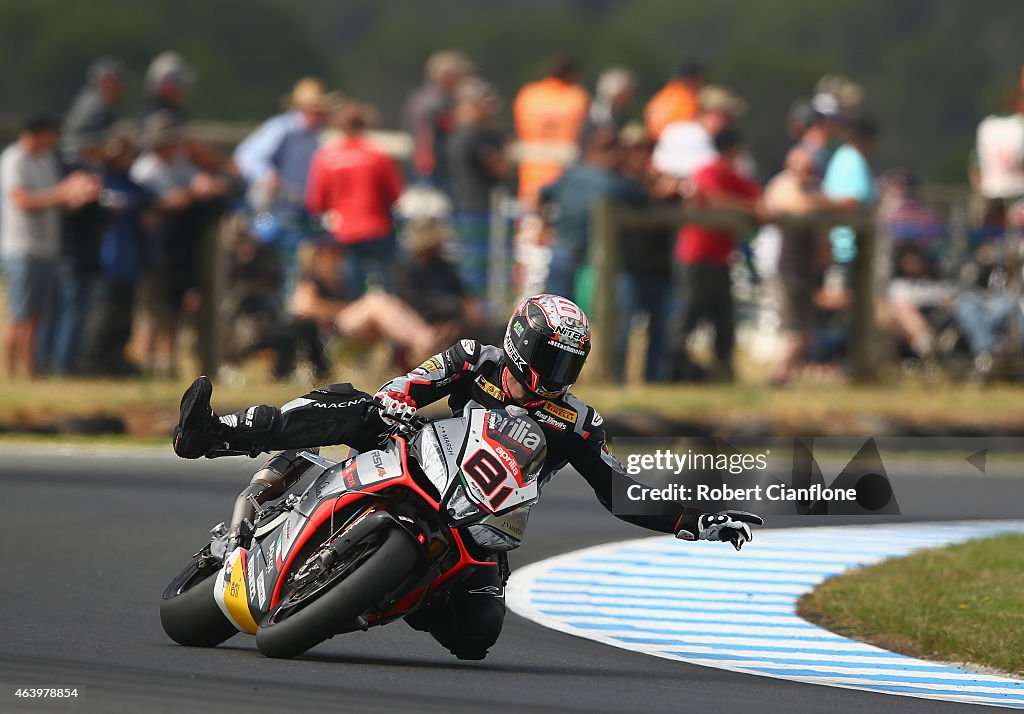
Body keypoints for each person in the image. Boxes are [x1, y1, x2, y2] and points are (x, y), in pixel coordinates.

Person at [171, 293, 763, 660]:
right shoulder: (471, 359)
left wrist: (693, 518)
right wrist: (396, 403)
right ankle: (216, 434)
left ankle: (385, 590)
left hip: (483, 515)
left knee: (477, 636)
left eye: (570, 366)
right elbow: (409, 384)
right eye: (552, 360)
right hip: (418, 452)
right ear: (520, 346)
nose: (559, 375)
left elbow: (618, 489)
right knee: (352, 403)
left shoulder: (577, 422)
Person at [131, 111, 230, 377]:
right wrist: (192, 193)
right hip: (155, 251)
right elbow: (167, 201)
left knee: (175, 311)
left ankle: (167, 364)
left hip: (179, 251)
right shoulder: (146, 170)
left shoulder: (179, 163)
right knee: (154, 312)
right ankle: (147, 364)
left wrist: (205, 184)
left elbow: (198, 182)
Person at [1, 113, 100, 379]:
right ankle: (11, 373)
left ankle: (30, 371)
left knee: (36, 316)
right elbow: (21, 201)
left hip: (47, 248)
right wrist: (64, 192)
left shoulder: (46, 160)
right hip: (22, 249)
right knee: (19, 316)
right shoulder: (14, 160)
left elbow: (57, 202)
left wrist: (79, 196)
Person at [667, 128, 762, 382]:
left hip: (720, 258)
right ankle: (671, 368)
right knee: (689, 313)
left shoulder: (733, 176)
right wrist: (745, 208)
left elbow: (758, 202)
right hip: (695, 255)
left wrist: (744, 206)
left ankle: (723, 370)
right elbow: (716, 199)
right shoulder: (706, 171)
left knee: (723, 316)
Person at [234, 77, 338, 299]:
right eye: (315, 109)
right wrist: (266, 174)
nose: (319, 115)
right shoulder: (282, 128)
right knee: (272, 248)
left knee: (304, 254)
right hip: (274, 208)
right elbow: (247, 155)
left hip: (299, 208)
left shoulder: (314, 138)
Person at [763, 146, 857, 385]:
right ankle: (779, 377)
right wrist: (829, 205)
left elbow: (834, 208)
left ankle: (787, 377)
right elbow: (798, 204)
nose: (807, 173)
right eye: (802, 168)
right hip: (788, 269)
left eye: (810, 168)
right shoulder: (783, 186)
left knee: (806, 331)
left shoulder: (815, 188)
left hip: (810, 268)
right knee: (793, 330)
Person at [290, 242, 448, 365]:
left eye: (336, 255)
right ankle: (426, 341)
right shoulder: (311, 282)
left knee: (390, 304)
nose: (335, 260)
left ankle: (424, 342)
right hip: (335, 331)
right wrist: (342, 309)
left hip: (354, 328)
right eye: (328, 256)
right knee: (376, 301)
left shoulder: (341, 281)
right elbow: (303, 308)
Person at [539, 127, 649, 303]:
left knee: (558, 311)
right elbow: (645, 201)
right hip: (589, 259)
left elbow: (541, 195)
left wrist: (545, 227)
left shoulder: (572, 173)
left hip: (565, 250)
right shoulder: (614, 182)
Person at [306, 100, 403, 297]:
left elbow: (316, 203)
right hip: (378, 229)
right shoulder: (379, 155)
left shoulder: (326, 157)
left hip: (343, 232)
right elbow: (396, 196)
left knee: (350, 286)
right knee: (385, 285)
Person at [446, 77, 509, 307]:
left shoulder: (459, 133)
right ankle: (478, 316)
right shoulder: (473, 136)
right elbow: (500, 168)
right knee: (477, 267)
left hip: (467, 206)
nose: (490, 110)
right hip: (477, 209)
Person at [513, 56, 590, 209]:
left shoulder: (527, 95)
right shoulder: (577, 96)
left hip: (531, 172)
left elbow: (520, 129)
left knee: (530, 223)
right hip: (564, 173)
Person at [402, 51, 475, 190]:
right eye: (459, 75)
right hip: (435, 170)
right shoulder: (439, 103)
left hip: (422, 167)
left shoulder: (419, 98)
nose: (463, 80)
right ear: (446, 76)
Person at [652, 84, 749, 181]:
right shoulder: (679, 133)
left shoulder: (728, 141)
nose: (727, 121)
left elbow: (744, 171)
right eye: (722, 115)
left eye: (729, 117)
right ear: (703, 112)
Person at [62, 57, 127, 163]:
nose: (122, 87)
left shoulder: (97, 100)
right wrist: (115, 133)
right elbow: (83, 136)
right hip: (77, 159)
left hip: (83, 156)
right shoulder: (95, 103)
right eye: (118, 82)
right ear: (106, 82)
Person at [644, 60, 704, 141]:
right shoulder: (686, 97)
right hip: (674, 142)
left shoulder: (663, 94)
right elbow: (688, 124)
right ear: (694, 79)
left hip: (656, 142)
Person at [579, 66, 637, 148]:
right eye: (629, 93)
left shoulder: (614, 113)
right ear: (618, 92)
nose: (631, 98)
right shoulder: (599, 115)